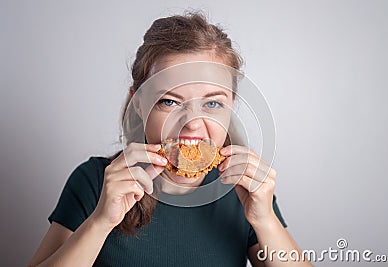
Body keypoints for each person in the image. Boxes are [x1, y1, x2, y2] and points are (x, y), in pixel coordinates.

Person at [28, 12, 312, 267]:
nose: (192, 124)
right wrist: (101, 222)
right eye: (170, 102)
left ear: (231, 106)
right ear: (138, 103)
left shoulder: (244, 190)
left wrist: (265, 220)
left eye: (212, 104)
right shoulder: (95, 181)